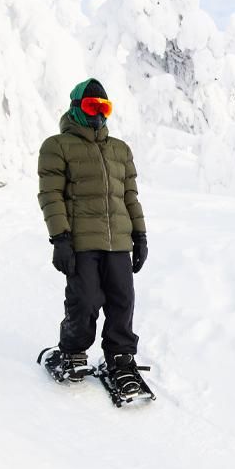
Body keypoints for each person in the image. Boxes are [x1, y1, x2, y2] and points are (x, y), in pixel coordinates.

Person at [36, 78, 149, 396]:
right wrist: (60, 238)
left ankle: (120, 358)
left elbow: (130, 196)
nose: (99, 114)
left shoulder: (120, 150)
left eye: (104, 108)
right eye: (91, 106)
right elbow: (51, 195)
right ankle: (71, 352)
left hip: (119, 243)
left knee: (122, 301)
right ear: (76, 108)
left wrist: (140, 236)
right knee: (84, 301)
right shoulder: (56, 146)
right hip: (81, 241)